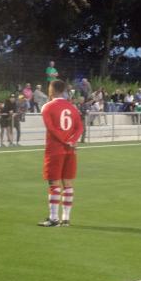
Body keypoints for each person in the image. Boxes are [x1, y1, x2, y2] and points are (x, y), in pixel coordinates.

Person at [38, 80, 84, 227]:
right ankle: (66, 219)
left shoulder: (47, 107)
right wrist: (72, 140)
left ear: (51, 90)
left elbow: (51, 128)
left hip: (55, 149)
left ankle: (53, 218)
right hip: (70, 150)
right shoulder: (72, 107)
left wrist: (64, 140)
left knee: (54, 183)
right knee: (68, 182)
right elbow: (80, 127)